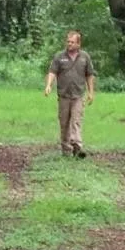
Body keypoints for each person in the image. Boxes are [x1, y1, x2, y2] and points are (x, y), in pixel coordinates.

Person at [44, 30, 96, 158]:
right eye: (68, 41)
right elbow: (52, 72)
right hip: (63, 95)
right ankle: (66, 149)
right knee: (64, 122)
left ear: (78, 44)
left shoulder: (85, 57)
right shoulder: (59, 56)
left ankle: (77, 145)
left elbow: (89, 75)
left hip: (78, 95)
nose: (69, 44)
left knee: (76, 120)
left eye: (72, 42)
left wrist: (91, 92)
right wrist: (48, 85)